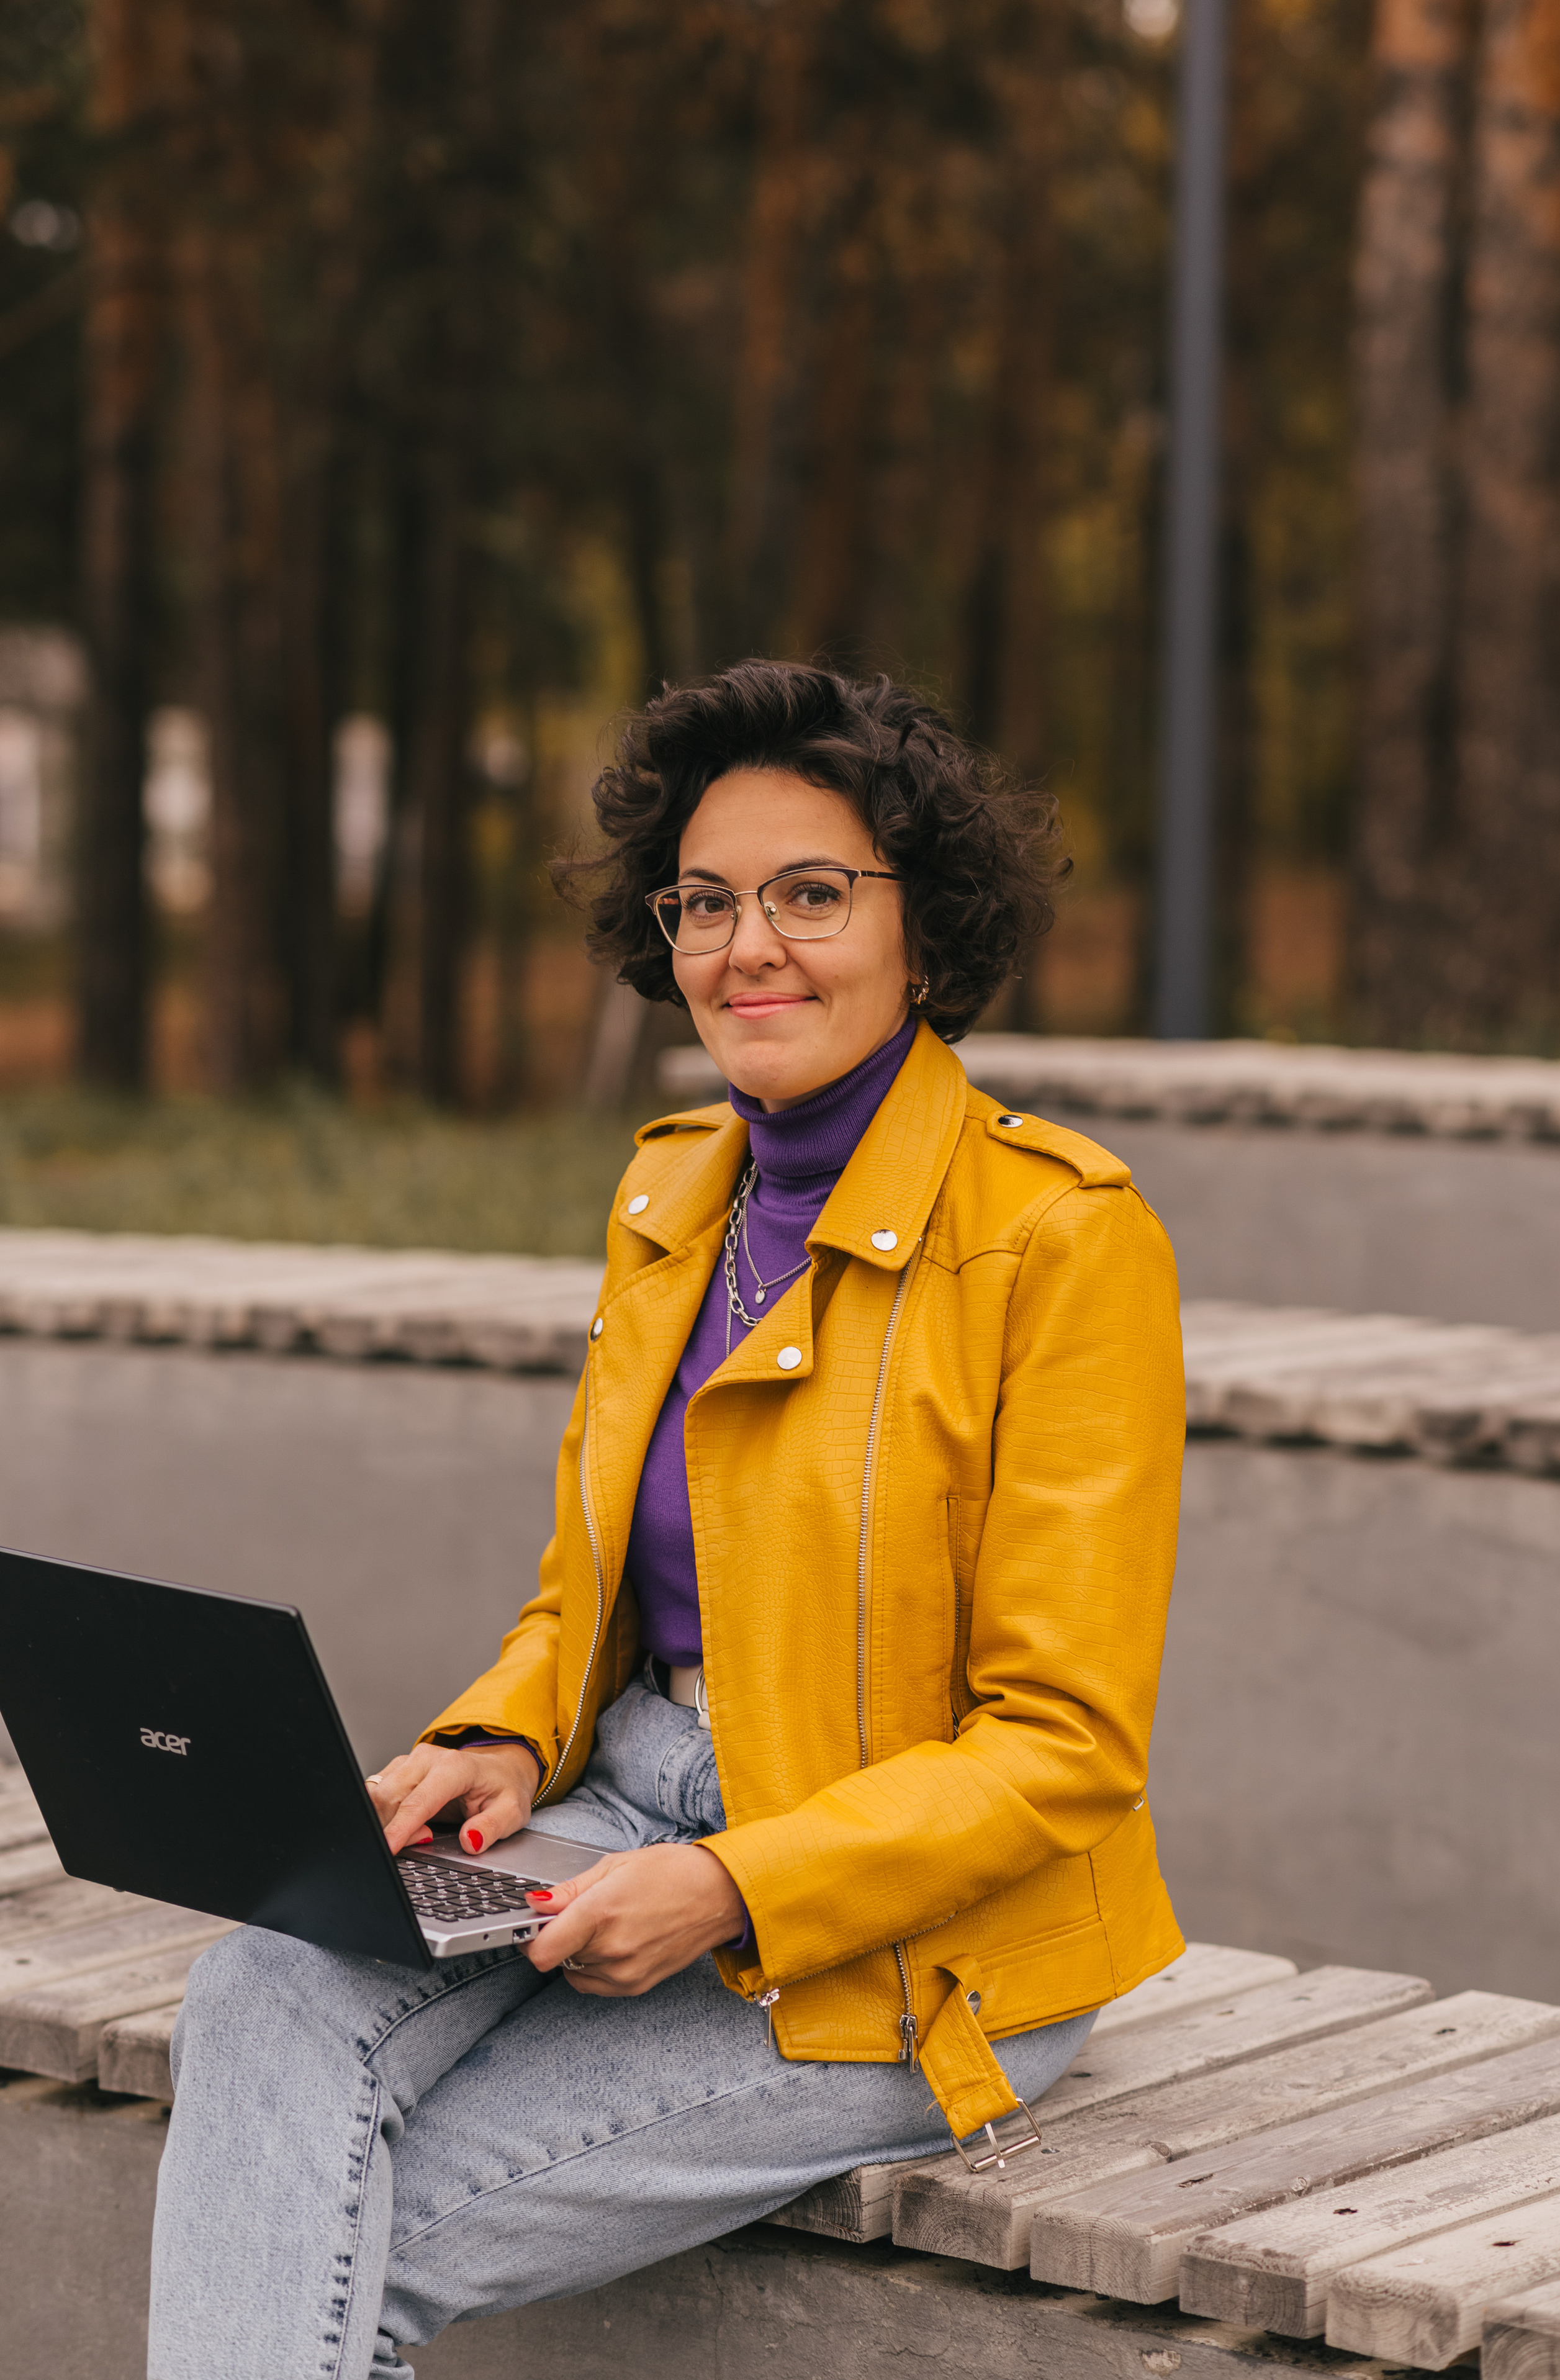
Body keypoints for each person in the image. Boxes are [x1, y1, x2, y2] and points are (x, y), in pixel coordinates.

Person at [147, 660, 1186, 2380]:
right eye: (705, 901)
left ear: (923, 933)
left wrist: (728, 1878)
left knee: (325, 2247)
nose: (745, 945)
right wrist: (496, 1733)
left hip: (915, 1938)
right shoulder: (674, 1196)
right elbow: (585, 1598)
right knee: (256, 1991)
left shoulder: (1061, 1237)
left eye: (812, 894)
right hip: (616, 1797)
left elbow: (1066, 1744)